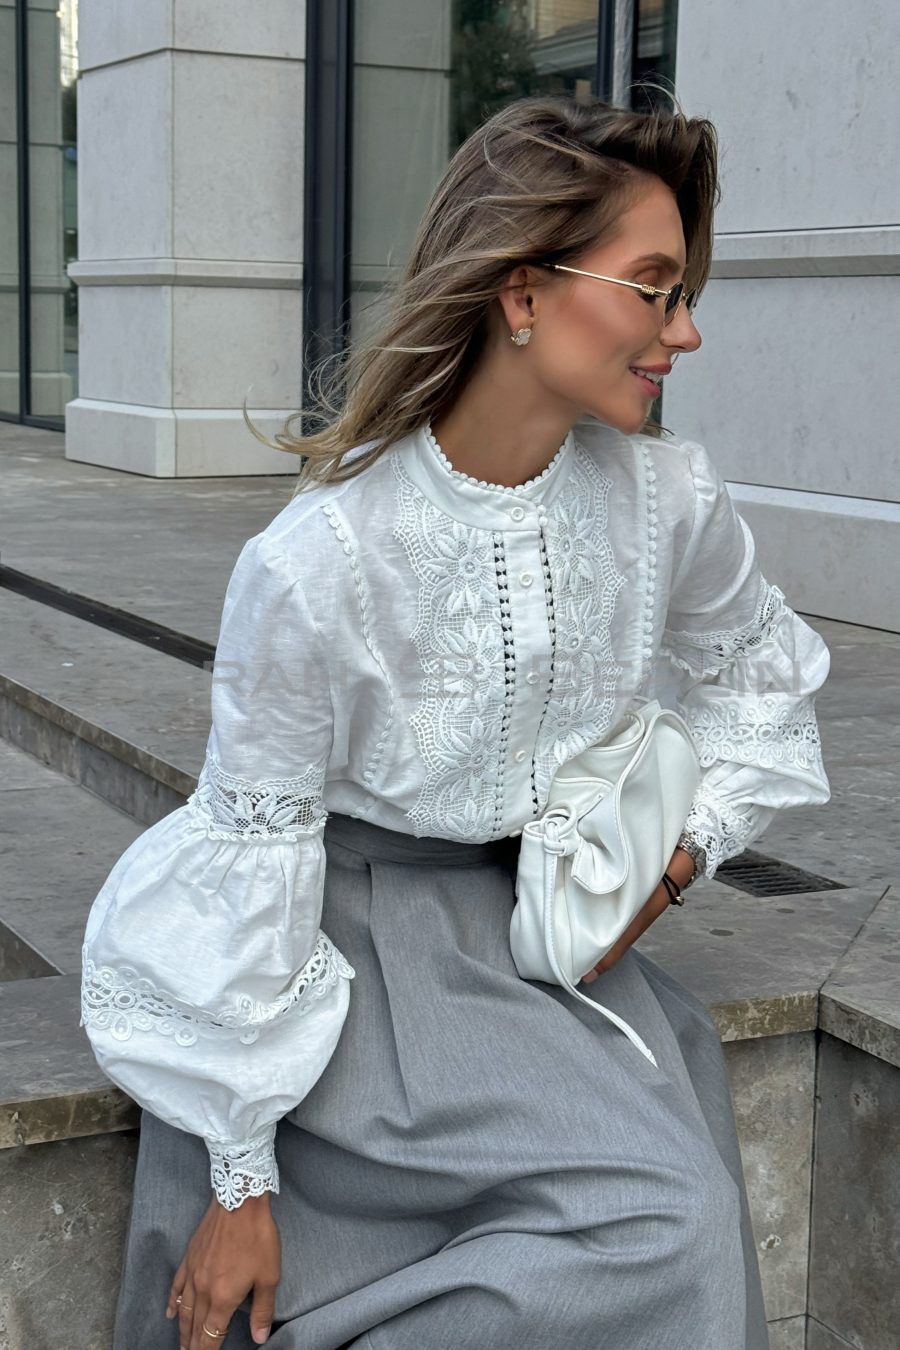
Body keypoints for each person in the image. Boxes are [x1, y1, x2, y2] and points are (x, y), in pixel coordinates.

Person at [80, 92, 831, 1350]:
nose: (685, 332)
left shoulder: (664, 501)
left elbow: (766, 679)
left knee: (673, 1204)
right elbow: (255, 862)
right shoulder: (317, 563)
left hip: (538, 934)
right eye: (655, 287)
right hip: (345, 961)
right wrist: (240, 1183)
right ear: (523, 292)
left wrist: (675, 862)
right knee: (670, 1216)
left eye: (686, 291)